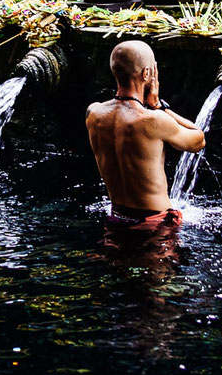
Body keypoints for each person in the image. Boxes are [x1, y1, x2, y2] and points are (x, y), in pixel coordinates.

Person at [85, 40, 205, 232]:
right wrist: (159, 106)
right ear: (147, 73)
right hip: (155, 225)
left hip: (116, 220)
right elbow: (198, 140)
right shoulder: (153, 120)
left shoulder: (93, 114)